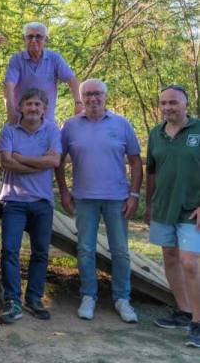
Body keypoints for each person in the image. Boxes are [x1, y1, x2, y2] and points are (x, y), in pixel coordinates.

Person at [56, 79, 142, 323]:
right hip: (84, 198)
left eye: (97, 94)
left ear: (105, 96)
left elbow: (136, 162)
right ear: (81, 98)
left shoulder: (121, 123)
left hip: (117, 199)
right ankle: (88, 296)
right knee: (85, 249)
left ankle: (122, 298)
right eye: (88, 94)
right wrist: (63, 191)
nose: (93, 99)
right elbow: (58, 161)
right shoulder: (70, 126)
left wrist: (134, 195)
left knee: (120, 251)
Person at [0, 88, 61, 324]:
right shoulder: (9, 130)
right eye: (29, 104)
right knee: (10, 251)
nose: (33, 108)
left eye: (37, 104)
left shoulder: (52, 130)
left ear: (44, 108)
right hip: (14, 201)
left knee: (40, 252)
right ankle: (12, 301)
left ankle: (34, 298)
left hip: (42, 202)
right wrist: (39, 165)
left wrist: (20, 158)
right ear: (20, 107)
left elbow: (54, 161)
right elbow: (6, 162)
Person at [145, 85, 200, 348]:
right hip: (163, 208)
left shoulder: (198, 130)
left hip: (192, 209)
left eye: (173, 103)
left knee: (191, 263)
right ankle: (183, 311)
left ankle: (198, 324)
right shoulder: (156, 134)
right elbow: (151, 172)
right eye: (164, 103)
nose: (168, 107)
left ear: (186, 104)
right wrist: (148, 205)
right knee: (170, 256)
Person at [4, 22, 81, 124]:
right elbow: (9, 85)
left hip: (47, 123)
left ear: (46, 39)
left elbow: (72, 80)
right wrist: (11, 111)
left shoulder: (54, 58)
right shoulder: (17, 60)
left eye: (39, 37)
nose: (34, 40)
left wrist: (79, 103)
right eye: (30, 36)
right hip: (20, 122)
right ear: (24, 39)